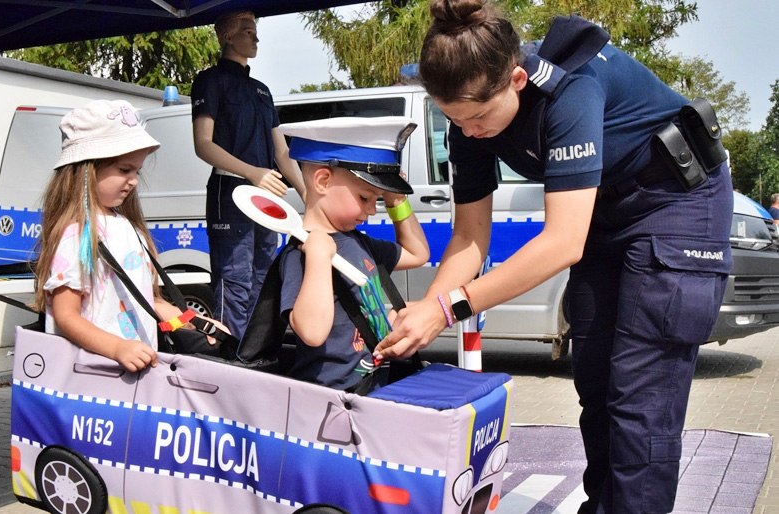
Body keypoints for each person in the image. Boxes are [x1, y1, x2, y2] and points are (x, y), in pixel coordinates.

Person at [374, 2, 733, 513]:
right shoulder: (468, 121)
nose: (470, 131)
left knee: (639, 398)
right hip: (604, 212)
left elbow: (564, 242)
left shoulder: (572, 88)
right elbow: (469, 239)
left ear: (516, 79)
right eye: (455, 118)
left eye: (477, 116)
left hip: (676, 206)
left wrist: (450, 307)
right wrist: (424, 312)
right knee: (596, 383)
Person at [33, 99, 224, 372]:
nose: (133, 180)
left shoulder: (128, 227)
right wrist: (117, 348)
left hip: (131, 377)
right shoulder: (77, 236)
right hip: (91, 379)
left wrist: (194, 321)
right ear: (86, 170)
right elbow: (66, 316)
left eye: (136, 170)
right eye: (124, 170)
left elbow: (151, 301)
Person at [276, 117, 430, 390]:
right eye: (365, 197)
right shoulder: (300, 253)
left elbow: (417, 253)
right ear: (323, 181)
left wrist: (397, 202)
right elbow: (311, 332)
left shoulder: (358, 242)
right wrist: (319, 258)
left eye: (378, 199)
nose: (372, 210)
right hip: (330, 402)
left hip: (369, 390)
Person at [191, 10, 305, 340]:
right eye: (247, 31)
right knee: (234, 279)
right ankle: (233, 356)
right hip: (230, 192)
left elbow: (282, 152)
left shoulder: (262, 91)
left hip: (266, 197)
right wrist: (251, 171)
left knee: (266, 277)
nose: (255, 38)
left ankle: (257, 354)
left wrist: (309, 196)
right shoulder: (210, 81)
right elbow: (203, 144)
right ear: (226, 37)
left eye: (255, 31)